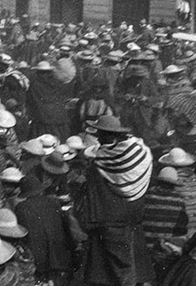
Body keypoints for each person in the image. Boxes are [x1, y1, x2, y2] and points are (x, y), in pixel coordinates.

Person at [74, 115, 155, 286]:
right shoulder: (141, 153)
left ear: (106, 135)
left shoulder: (101, 163)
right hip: (133, 219)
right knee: (134, 269)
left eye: (100, 135)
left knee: (116, 274)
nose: (98, 139)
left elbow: (92, 191)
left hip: (109, 221)